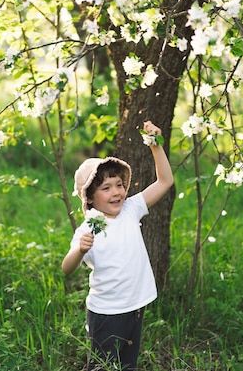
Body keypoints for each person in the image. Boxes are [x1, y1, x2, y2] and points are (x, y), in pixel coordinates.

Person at [61, 120, 174, 371]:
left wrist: (155, 144)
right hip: (106, 314)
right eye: (106, 188)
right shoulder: (89, 228)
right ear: (89, 197)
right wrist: (79, 249)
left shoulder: (130, 210)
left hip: (135, 306)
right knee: (102, 366)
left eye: (120, 185)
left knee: (127, 365)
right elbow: (67, 267)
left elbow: (165, 182)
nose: (117, 193)